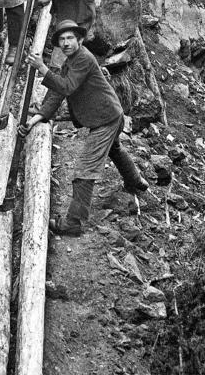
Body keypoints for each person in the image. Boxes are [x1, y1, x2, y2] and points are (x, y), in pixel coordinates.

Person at [25, 20, 148, 236]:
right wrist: (43, 114)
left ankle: (73, 222)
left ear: (80, 39)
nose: (65, 43)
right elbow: (58, 91)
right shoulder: (71, 61)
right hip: (110, 114)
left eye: (70, 38)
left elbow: (66, 86)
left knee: (84, 170)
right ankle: (135, 181)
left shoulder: (83, 58)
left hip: (105, 119)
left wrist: (42, 68)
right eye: (61, 39)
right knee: (114, 149)